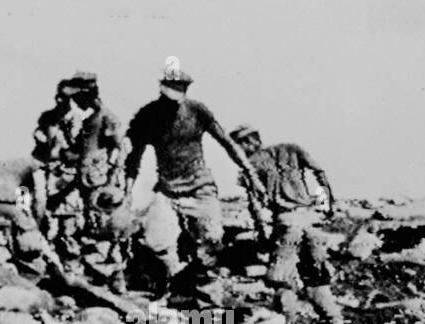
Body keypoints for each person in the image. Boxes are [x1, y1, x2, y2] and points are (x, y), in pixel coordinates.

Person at [125, 66, 264, 301]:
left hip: (200, 187)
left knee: (212, 240)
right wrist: (127, 192)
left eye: (180, 91)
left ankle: (204, 292)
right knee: (155, 240)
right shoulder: (147, 116)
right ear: (161, 89)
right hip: (168, 191)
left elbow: (228, 143)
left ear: (186, 90)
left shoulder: (197, 111)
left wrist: (250, 174)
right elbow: (134, 158)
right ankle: (176, 284)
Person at [229, 124, 350, 324]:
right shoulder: (292, 149)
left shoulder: (249, 165)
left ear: (248, 143)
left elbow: (256, 204)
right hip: (312, 222)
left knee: (283, 282)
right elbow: (320, 174)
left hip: (287, 225)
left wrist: (264, 236)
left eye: (240, 145)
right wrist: (326, 205)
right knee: (317, 281)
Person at [32, 72, 129, 288]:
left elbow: (121, 148)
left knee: (103, 229)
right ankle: (97, 277)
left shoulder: (107, 117)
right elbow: (81, 152)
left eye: (78, 97)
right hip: (85, 182)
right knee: (87, 228)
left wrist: (113, 176)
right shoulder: (87, 120)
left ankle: (114, 277)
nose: (74, 102)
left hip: (101, 183)